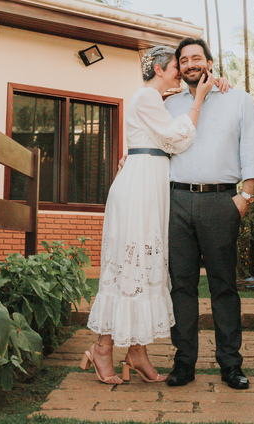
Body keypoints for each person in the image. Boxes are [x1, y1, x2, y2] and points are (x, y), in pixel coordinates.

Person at [81, 45, 214, 384]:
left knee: (144, 266)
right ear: (158, 69)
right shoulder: (146, 97)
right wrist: (198, 100)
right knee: (129, 267)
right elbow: (176, 138)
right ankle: (102, 348)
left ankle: (137, 351)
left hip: (151, 182)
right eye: (173, 67)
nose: (178, 73)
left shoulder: (156, 100)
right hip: (138, 186)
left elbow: (166, 142)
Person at [163, 37, 254, 390]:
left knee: (223, 286)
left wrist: (245, 197)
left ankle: (231, 365)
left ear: (209, 61)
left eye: (197, 57)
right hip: (175, 202)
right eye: (184, 59)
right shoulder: (168, 105)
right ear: (179, 67)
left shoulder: (238, 99)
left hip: (221, 202)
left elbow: (252, 149)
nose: (191, 63)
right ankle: (184, 363)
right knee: (182, 287)